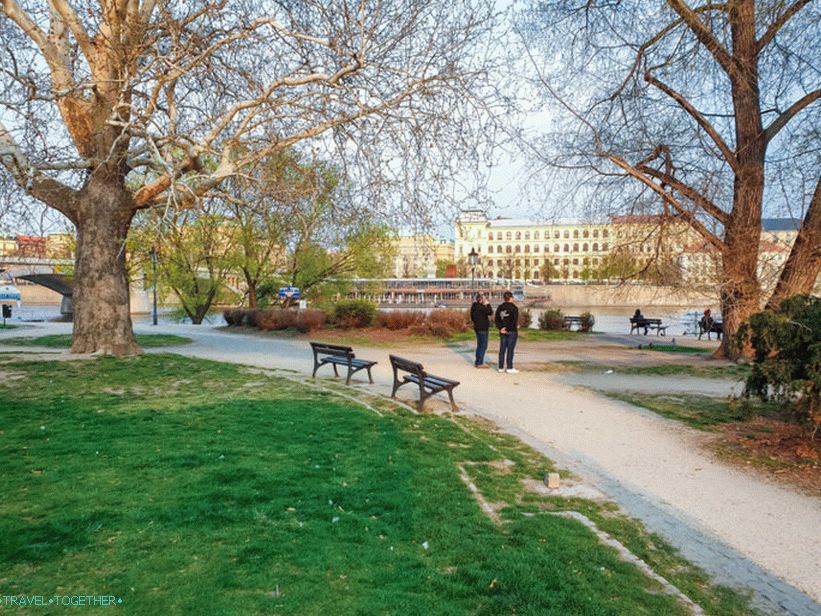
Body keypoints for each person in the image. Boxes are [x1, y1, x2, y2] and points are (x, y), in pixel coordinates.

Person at [495, 291, 520, 373]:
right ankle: (509, 367)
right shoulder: (514, 308)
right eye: (512, 297)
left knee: (502, 349)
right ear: (510, 298)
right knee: (510, 350)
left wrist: (501, 328)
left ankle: (500, 367)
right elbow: (513, 322)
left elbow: (496, 319)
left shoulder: (500, 307)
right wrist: (507, 329)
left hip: (502, 331)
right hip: (511, 331)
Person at [469, 293, 493, 368]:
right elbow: (490, 312)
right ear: (481, 300)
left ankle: (478, 361)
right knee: (483, 345)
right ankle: (479, 362)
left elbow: (472, 317)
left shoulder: (474, 307)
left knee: (479, 345)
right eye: (484, 299)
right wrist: (488, 304)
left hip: (477, 327)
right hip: (483, 328)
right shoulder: (482, 307)